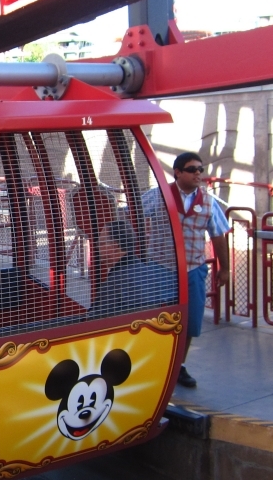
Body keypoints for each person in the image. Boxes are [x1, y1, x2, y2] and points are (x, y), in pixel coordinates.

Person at [142, 152, 229, 388]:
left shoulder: (208, 201)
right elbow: (132, 217)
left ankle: (178, 366)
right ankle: (154, 363)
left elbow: (218, 234)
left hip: (193, 270)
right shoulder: (158, 196)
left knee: (189, 321)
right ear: (178, 172)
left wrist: (225, 268)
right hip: (160, 268)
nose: (198, 174)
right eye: (192, 169)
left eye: (200, 169)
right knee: (156, 319)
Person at [89, 219, 177, 319]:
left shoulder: (114, 284)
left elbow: (94, 321)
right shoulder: (150, 274)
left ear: (115, 246)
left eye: (101, 243)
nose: (97, 248)